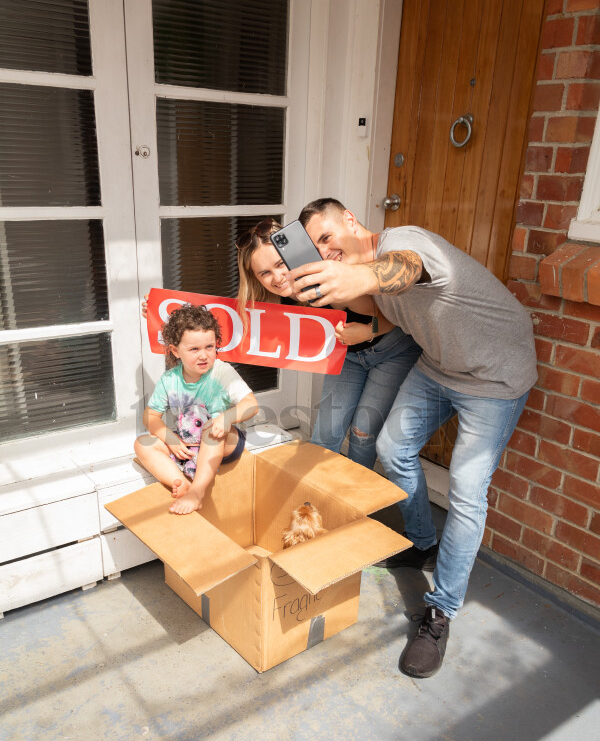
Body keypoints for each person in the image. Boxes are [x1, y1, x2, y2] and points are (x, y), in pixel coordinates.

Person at [287, 197, 538, 678]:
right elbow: (376, 311)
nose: (325, 248)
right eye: (315, 245)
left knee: (466, 490)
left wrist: (358, 277)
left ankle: (440, 612)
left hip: (495, 379)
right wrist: (321, 288)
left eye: (327, 235)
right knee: (390, 449)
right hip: (439, 368)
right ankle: (422, 542)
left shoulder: (406, 243)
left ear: (352, 221)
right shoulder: (363, 279)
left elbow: (407, 270)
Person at [235, 218, 421, 469]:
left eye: (280, 264)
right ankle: (316, 503)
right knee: (326, 434)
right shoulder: (279, 300)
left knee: (362, 434)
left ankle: (356, 503)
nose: (277, 277)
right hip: (349, 355)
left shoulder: (325, 282)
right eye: (264, 273)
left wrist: (367, 331)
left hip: (390, 347)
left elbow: (393, 320)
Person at [134, 303, 258, 515]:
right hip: (188, 445)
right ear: (175, 351)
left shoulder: (221, 372)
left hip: (222, 440)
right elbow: (151, 416)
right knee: (142, 444)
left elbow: (251, 404)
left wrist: (227, 418)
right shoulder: (169, 380)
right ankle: (182, 483)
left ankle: (198, 491)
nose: (204, 355)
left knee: (211, 427)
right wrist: (170, 439)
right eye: (194, 349)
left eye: (209, 347)